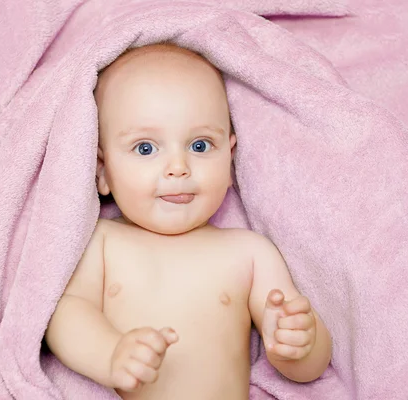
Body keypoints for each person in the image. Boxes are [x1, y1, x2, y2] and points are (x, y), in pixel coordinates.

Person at [45, 43, 332, 400]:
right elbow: (65, 316)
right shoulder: (101, 242)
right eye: (146, 148)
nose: (178, 167)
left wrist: (299, 344)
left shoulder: (249, 253)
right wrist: (110, 354)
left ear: (230, 158)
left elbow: (308, 370)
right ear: (102, 171)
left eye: (199, 145)